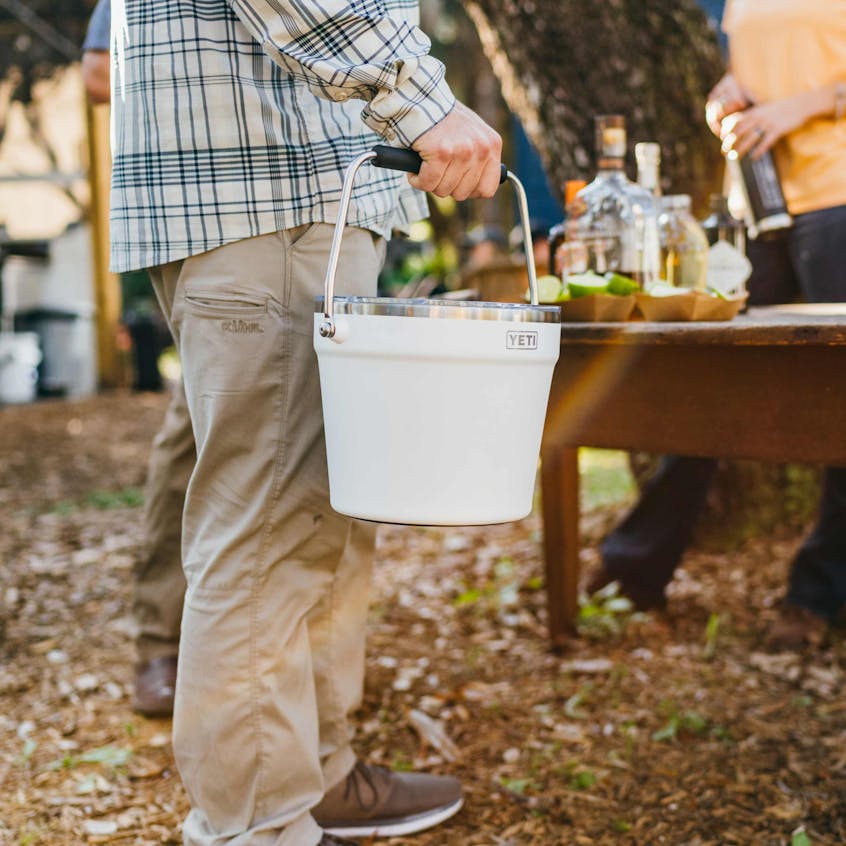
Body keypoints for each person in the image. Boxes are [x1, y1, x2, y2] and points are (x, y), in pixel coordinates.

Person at [109, 1, 502, 844]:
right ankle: (258, 822)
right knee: (269, 531)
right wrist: (422, 100)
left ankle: (310, 774)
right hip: (267, 193)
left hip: (285, 193)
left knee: (322, 512)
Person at [589, 0, 846, 651]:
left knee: (838, 404)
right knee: (706, 382)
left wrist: (804, 106)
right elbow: (758, 71)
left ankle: (818, 596)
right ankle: (635, 567)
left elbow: (803, 86)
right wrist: (726, 100)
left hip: (838, 199)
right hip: (755, 207)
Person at [82, 0, 188, 717]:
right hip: (212, 202)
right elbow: (96, 72)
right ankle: (162, 640)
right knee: (195, 429)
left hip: (328, 209)